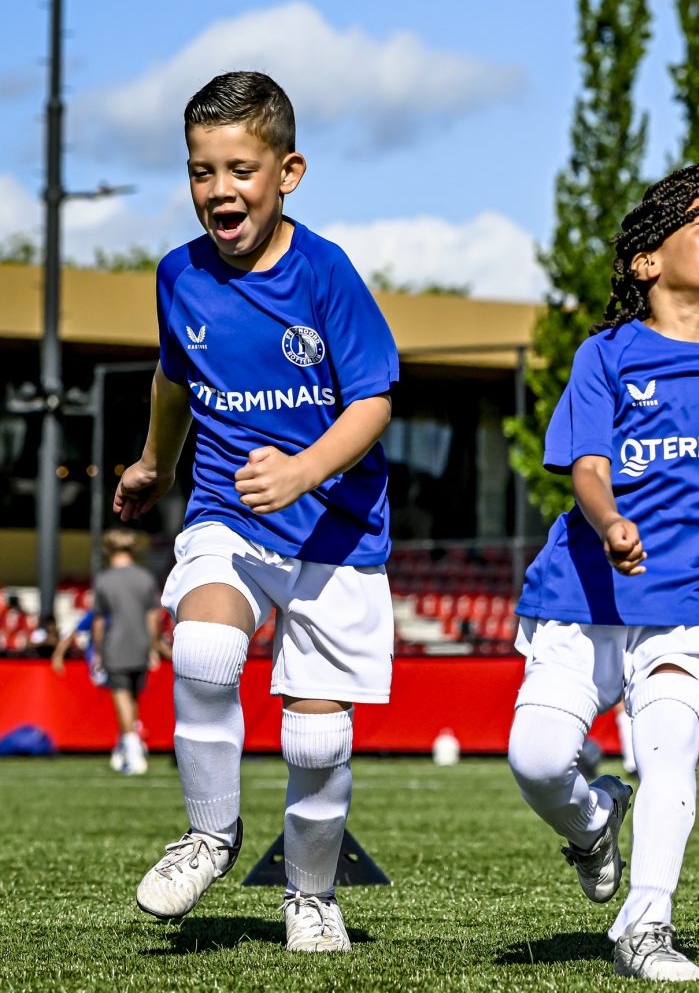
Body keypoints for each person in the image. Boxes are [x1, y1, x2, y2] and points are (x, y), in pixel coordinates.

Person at [505, 134, 699, 982]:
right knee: (536, 757)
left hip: (691, 602)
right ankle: (593, 819)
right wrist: (608, 520)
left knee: (670, 747)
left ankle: (646, 925)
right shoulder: (605, 354)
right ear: (646, 259)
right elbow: (588, 465)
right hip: (584, 591)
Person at [116, 71, 400, 954]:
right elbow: (173, 377)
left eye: (240, 168)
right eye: (202, 171)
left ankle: (311, 896)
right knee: (204, 645)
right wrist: (156, 463)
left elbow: (374, 401)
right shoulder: (178, 275)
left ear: (289, 171)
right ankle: (210, 832)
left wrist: (306, 470)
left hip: (337, 533)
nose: (219, 190)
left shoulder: (327, 272)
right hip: (227, 515)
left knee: (316, 744)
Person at [52, 530, 169, 774]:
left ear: (107, 550)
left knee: (121, 696)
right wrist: (153, 645)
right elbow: (152, 617)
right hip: (141, 644)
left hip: (116, 644)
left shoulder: (105, 580)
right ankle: (126, 746)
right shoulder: (145, 578)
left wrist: (99, 650)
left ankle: (132, 749)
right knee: (134, 697)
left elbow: (98, 621)